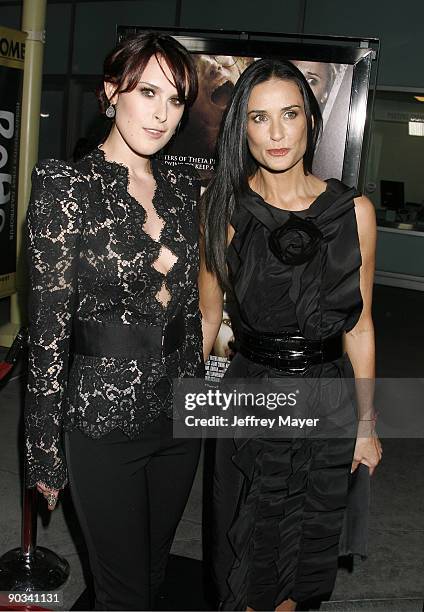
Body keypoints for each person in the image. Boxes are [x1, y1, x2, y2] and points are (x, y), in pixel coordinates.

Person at [24, 32, 203, 610]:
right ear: (110, 92)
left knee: (153, 574)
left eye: (175, 100)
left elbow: (191, 307)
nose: (161, 113)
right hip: (102, 421)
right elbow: (48, 331)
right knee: (122, 595)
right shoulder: (65, 189)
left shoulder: (181, 189)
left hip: (179, 416)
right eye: (147, 91)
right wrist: (42, 448)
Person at [199, 58, 382, 611]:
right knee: (248, 558)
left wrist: (366, 425)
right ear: (242, 128)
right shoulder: (223, 208)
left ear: (311, 121)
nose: (276, 134)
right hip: (250, 395)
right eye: (258, 117)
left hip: (327, 398)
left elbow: (361, 325)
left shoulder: (354, 213)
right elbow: (209, 320)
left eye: (289, 114)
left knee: (301, 565)